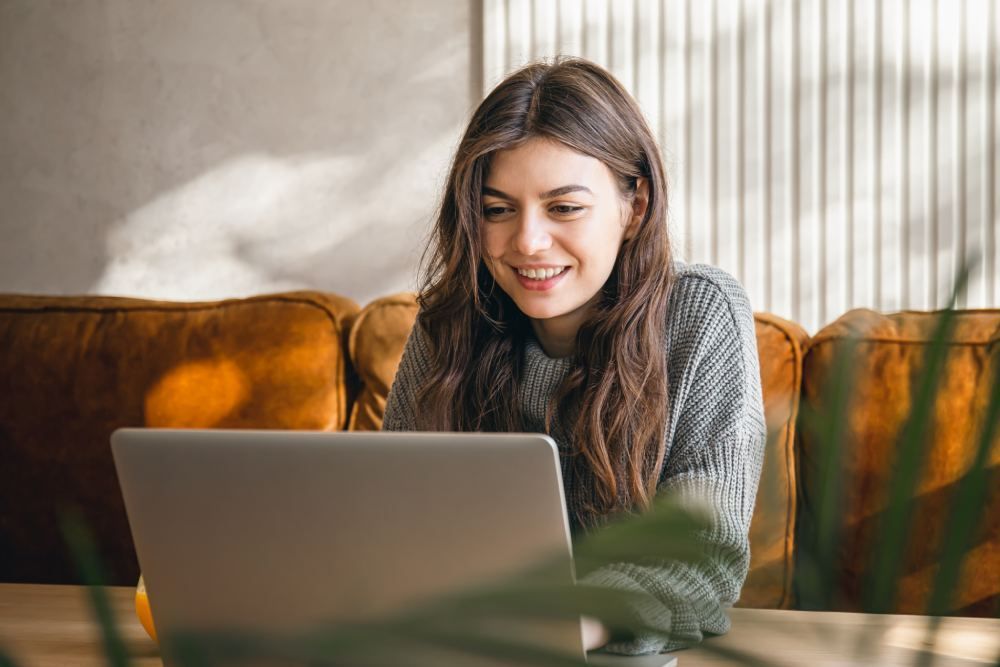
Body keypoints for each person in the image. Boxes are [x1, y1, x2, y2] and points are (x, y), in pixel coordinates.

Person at [382, 57, 765, 656]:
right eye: (497, 209)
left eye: (564, 207)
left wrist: (568, 620)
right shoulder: (449, 322)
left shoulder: (700, 314)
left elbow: (702, 554)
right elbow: (386, 524)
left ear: (633, 207)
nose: (527, 241)